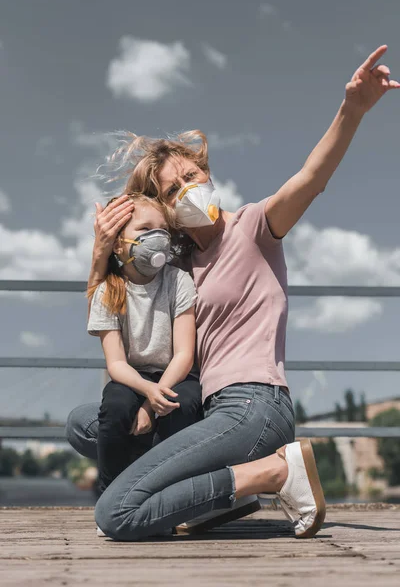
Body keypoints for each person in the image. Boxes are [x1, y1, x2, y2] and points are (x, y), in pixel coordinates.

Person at [69, 45, 399, 541]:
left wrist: (352, 109)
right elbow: (110, 314)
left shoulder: (254, 228)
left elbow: (310, 179)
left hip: (252, 405)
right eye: (173, 189)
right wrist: (100, 253)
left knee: (116, 514)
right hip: (197, 407)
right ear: (163, 209)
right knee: (84, 424)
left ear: (208, 174)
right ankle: (215, 497)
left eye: (192, 176)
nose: (187, 189)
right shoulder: (173, 267)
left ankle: (273, 473)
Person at [68, 193, 203, 502]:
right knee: (115, 406)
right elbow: (116, 365)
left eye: (162, 230)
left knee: (182, 405)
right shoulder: (108, 290)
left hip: (174, 376)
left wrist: (151, 403)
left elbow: (184, 354)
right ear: (118, 244)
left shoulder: (178, 281)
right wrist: (144, 391)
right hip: (132, 377)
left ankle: (172, 496)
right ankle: (112, 498)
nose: (156, 237)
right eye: (144, 230)